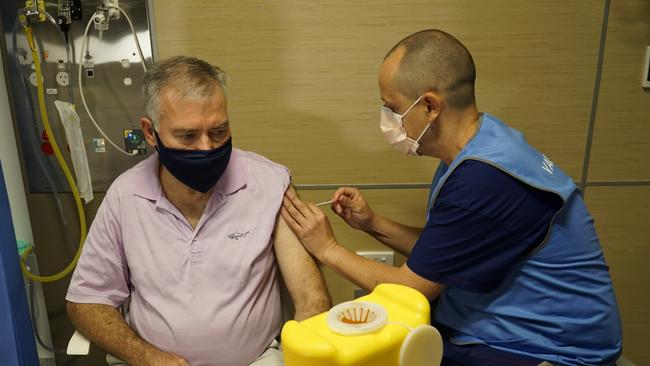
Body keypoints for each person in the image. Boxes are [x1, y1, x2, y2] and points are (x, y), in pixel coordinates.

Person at [281, 29, 622, 366]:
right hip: (513, 329)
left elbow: (409, 288)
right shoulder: (480, 144)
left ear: (430, 106)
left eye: (392, 108)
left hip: (551, 349)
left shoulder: (484, 179)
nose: (387, 120)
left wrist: (327, 248)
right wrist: (371, 223)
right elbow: (443, 253)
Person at [66, 56, 331, 366]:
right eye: (188, 136)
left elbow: (312, 300)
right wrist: (148, 357)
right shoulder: (125, 197)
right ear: (151, 132)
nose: (207, 148)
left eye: (219, 132)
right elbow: (86, 302)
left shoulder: (271, 184)